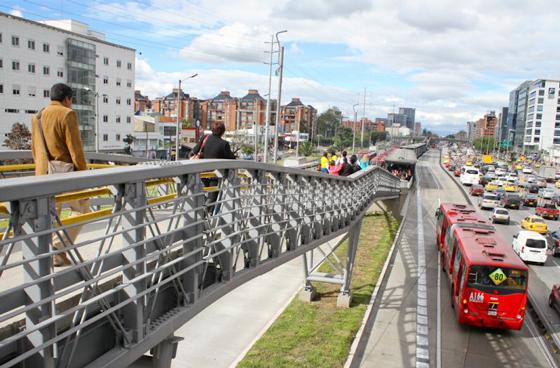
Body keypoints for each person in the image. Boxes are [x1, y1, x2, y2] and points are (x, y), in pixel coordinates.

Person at [31, 83, 90, 267]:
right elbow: (75, 150)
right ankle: (58, 248)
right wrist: (83, 174)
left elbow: (35, 149)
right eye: (71, 100)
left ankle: (44, 256)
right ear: (67, 99)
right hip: (64, 174)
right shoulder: (67, 114)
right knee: (82, 209)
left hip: (43, 174)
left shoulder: (38, 116)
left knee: (48, 215)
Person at [192, 121, 235, 215]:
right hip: (214, 176)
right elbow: (231, 159)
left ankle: (201, 214)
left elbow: (194, 151)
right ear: (222, 132)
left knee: (201, 194)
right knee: (212, 196)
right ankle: (206, 216)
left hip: (201, 174)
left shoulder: (205, 138)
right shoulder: (224, 144)